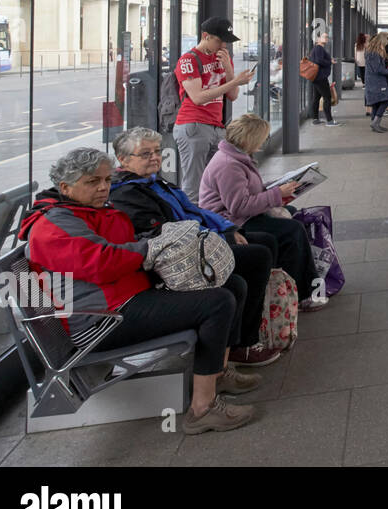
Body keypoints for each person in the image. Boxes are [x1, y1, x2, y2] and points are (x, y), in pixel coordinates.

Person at [22, 148, 259, 434]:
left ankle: (216, 373)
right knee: (217, 302)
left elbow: (123, 246)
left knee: (231, 284)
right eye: (92, 182)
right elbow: (103, 262)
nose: (103, 188)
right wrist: (152, 249)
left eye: (107, 180)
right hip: (102, 320)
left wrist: (155, 248)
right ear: (65, 187)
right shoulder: (53, 226)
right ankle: (202, 409)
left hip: (125, 299)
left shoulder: (85, 211)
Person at [108, 128, 281, 366]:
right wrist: (219, 238)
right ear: (123, 159)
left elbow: (194, 211)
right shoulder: (128, 194)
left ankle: (249, 329)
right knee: (257, 256)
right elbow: (166, 236)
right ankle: (243, 344)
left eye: (157, 151)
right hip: (180, 259)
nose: (154, 157)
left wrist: (228, 229)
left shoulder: (152, 182)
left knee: (263, 243)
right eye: (145, 154)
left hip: (198, 241)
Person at [198, 114, 321, 310]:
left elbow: (245, 194)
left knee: (291, 215)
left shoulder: (236, 157)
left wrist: (276, 188)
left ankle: (294, 277)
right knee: (293, 229)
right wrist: (276, 194)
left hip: (240, 216)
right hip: (232, 222)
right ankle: (304, 292)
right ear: (249, 139)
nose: (266, 140)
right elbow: (239, 206)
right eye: (262, 137)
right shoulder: (229, 165)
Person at [174, 17, 255, 203]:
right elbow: (198, 97)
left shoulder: (223, 58)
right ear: (205, 36)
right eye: (219, 40)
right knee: (194, 185)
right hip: (193, 124)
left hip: (216, 126)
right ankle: (191, 227)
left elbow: (233, 95)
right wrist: (235, 81)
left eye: (225, 41)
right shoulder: (188, 60)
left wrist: (228, 69)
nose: (223, 45)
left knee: (216, 180)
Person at [364, 32, 388, 133]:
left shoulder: (372, 51)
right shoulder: (375, 53)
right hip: (377, 81)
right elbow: (377, 69)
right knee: (386, 100)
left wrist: (386, 62)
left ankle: (375, 124)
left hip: (372, 80)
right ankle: (375, 123)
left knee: (376, 103)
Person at [309, 30, 337, 126]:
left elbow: (318, 60)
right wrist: (330, 62)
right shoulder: (319, 48)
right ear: (318, 39)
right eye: (324, 37)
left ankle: (315, 118)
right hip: (320, 77)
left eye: (327, 37)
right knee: (327, 97)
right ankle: (329, 120)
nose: (326, 39)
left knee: (317, 97)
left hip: (316, 77)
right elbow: (319, 60)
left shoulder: (317, 49)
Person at [354, 33, 369, 115]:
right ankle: (364, 83)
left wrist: (355, 59)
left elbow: (355, 52)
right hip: (364, 60)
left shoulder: (357, 45)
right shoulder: (365, 44)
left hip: (359, 60)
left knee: (361, 72)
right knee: (365, 72)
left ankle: (363, 83)